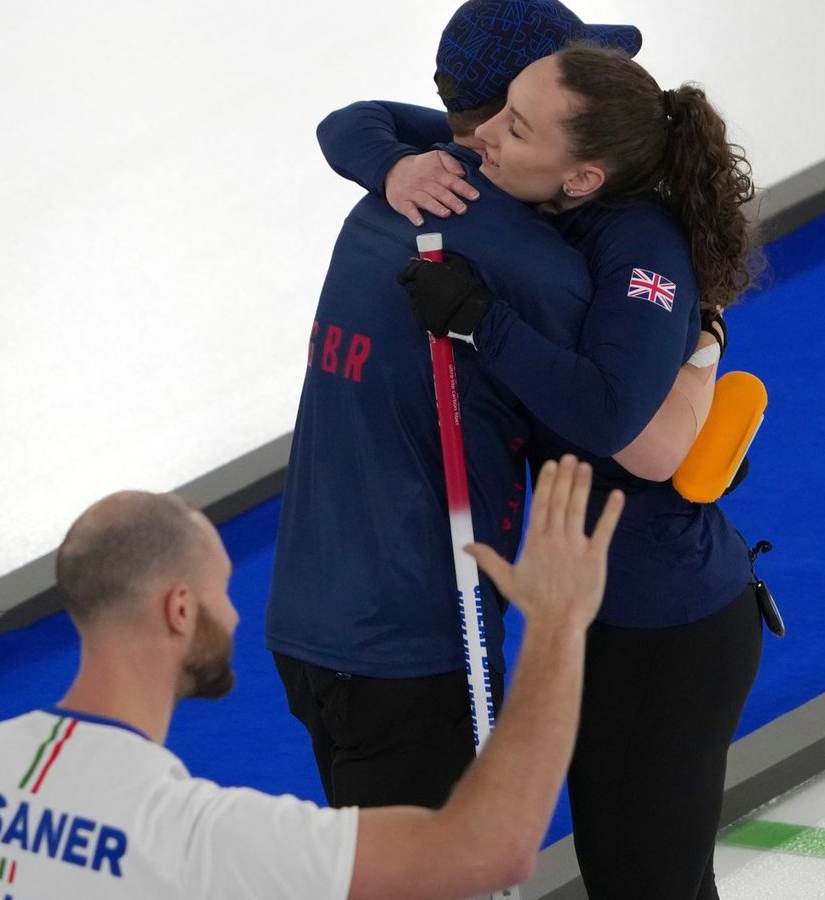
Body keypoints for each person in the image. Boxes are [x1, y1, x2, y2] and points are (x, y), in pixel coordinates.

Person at [326, 40, 766, 899]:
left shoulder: (642, 244)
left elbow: (620, 421)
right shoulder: (526, 165)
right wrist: (395, 172)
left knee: (647, 886)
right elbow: (354, 124)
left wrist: (481, 322)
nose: (481, 135)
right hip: (597, 615)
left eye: (512, 124)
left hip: (667, 629)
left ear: (583, 175)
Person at [0, 457, 625, 899]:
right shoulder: (195, 840)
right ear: (180, 610)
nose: (232, 612)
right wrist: (555, 626)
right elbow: (491, 849)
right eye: (222, 591)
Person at [263, 0, 639, 813]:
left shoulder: (391, 197)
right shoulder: (539, 270)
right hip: (419, 647)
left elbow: (354, 121)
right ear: (520, 102)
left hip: (306, 618)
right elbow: (618, 424)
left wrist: (383, 162)